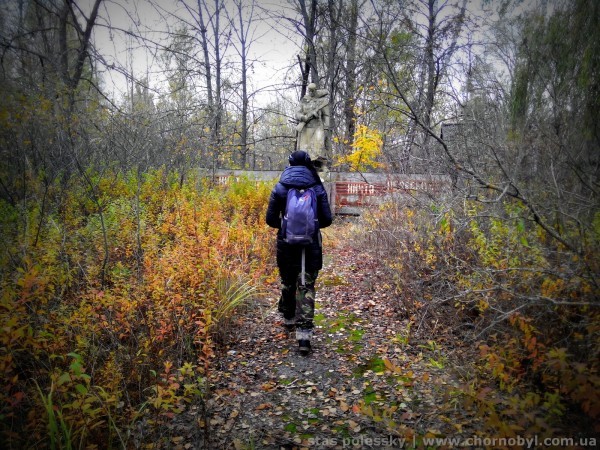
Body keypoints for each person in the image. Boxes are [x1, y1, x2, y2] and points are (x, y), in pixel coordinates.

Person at [266, 150, 333, 354]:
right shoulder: (317, 187)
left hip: (286, 243)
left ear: (290, 164)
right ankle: (304, 338)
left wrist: (286, 226)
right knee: (306, 286)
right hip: (310, 245)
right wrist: (310, 226)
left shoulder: (280, 186)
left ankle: (288, 317)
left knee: (288, 281)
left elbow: (270, 219)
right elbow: (327, 219)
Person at [295, 83, 330, 155]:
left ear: (315, 90)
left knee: (318, 149)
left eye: (312, 91)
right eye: (309, 91)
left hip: (318, 127)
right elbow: (297, 113)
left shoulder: (322, 101)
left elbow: (326, 115)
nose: (311, 92)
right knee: (304, 150)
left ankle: (318, 163)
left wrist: (326, 128)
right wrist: (303, 117)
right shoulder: (304, 100)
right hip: (305, 128)